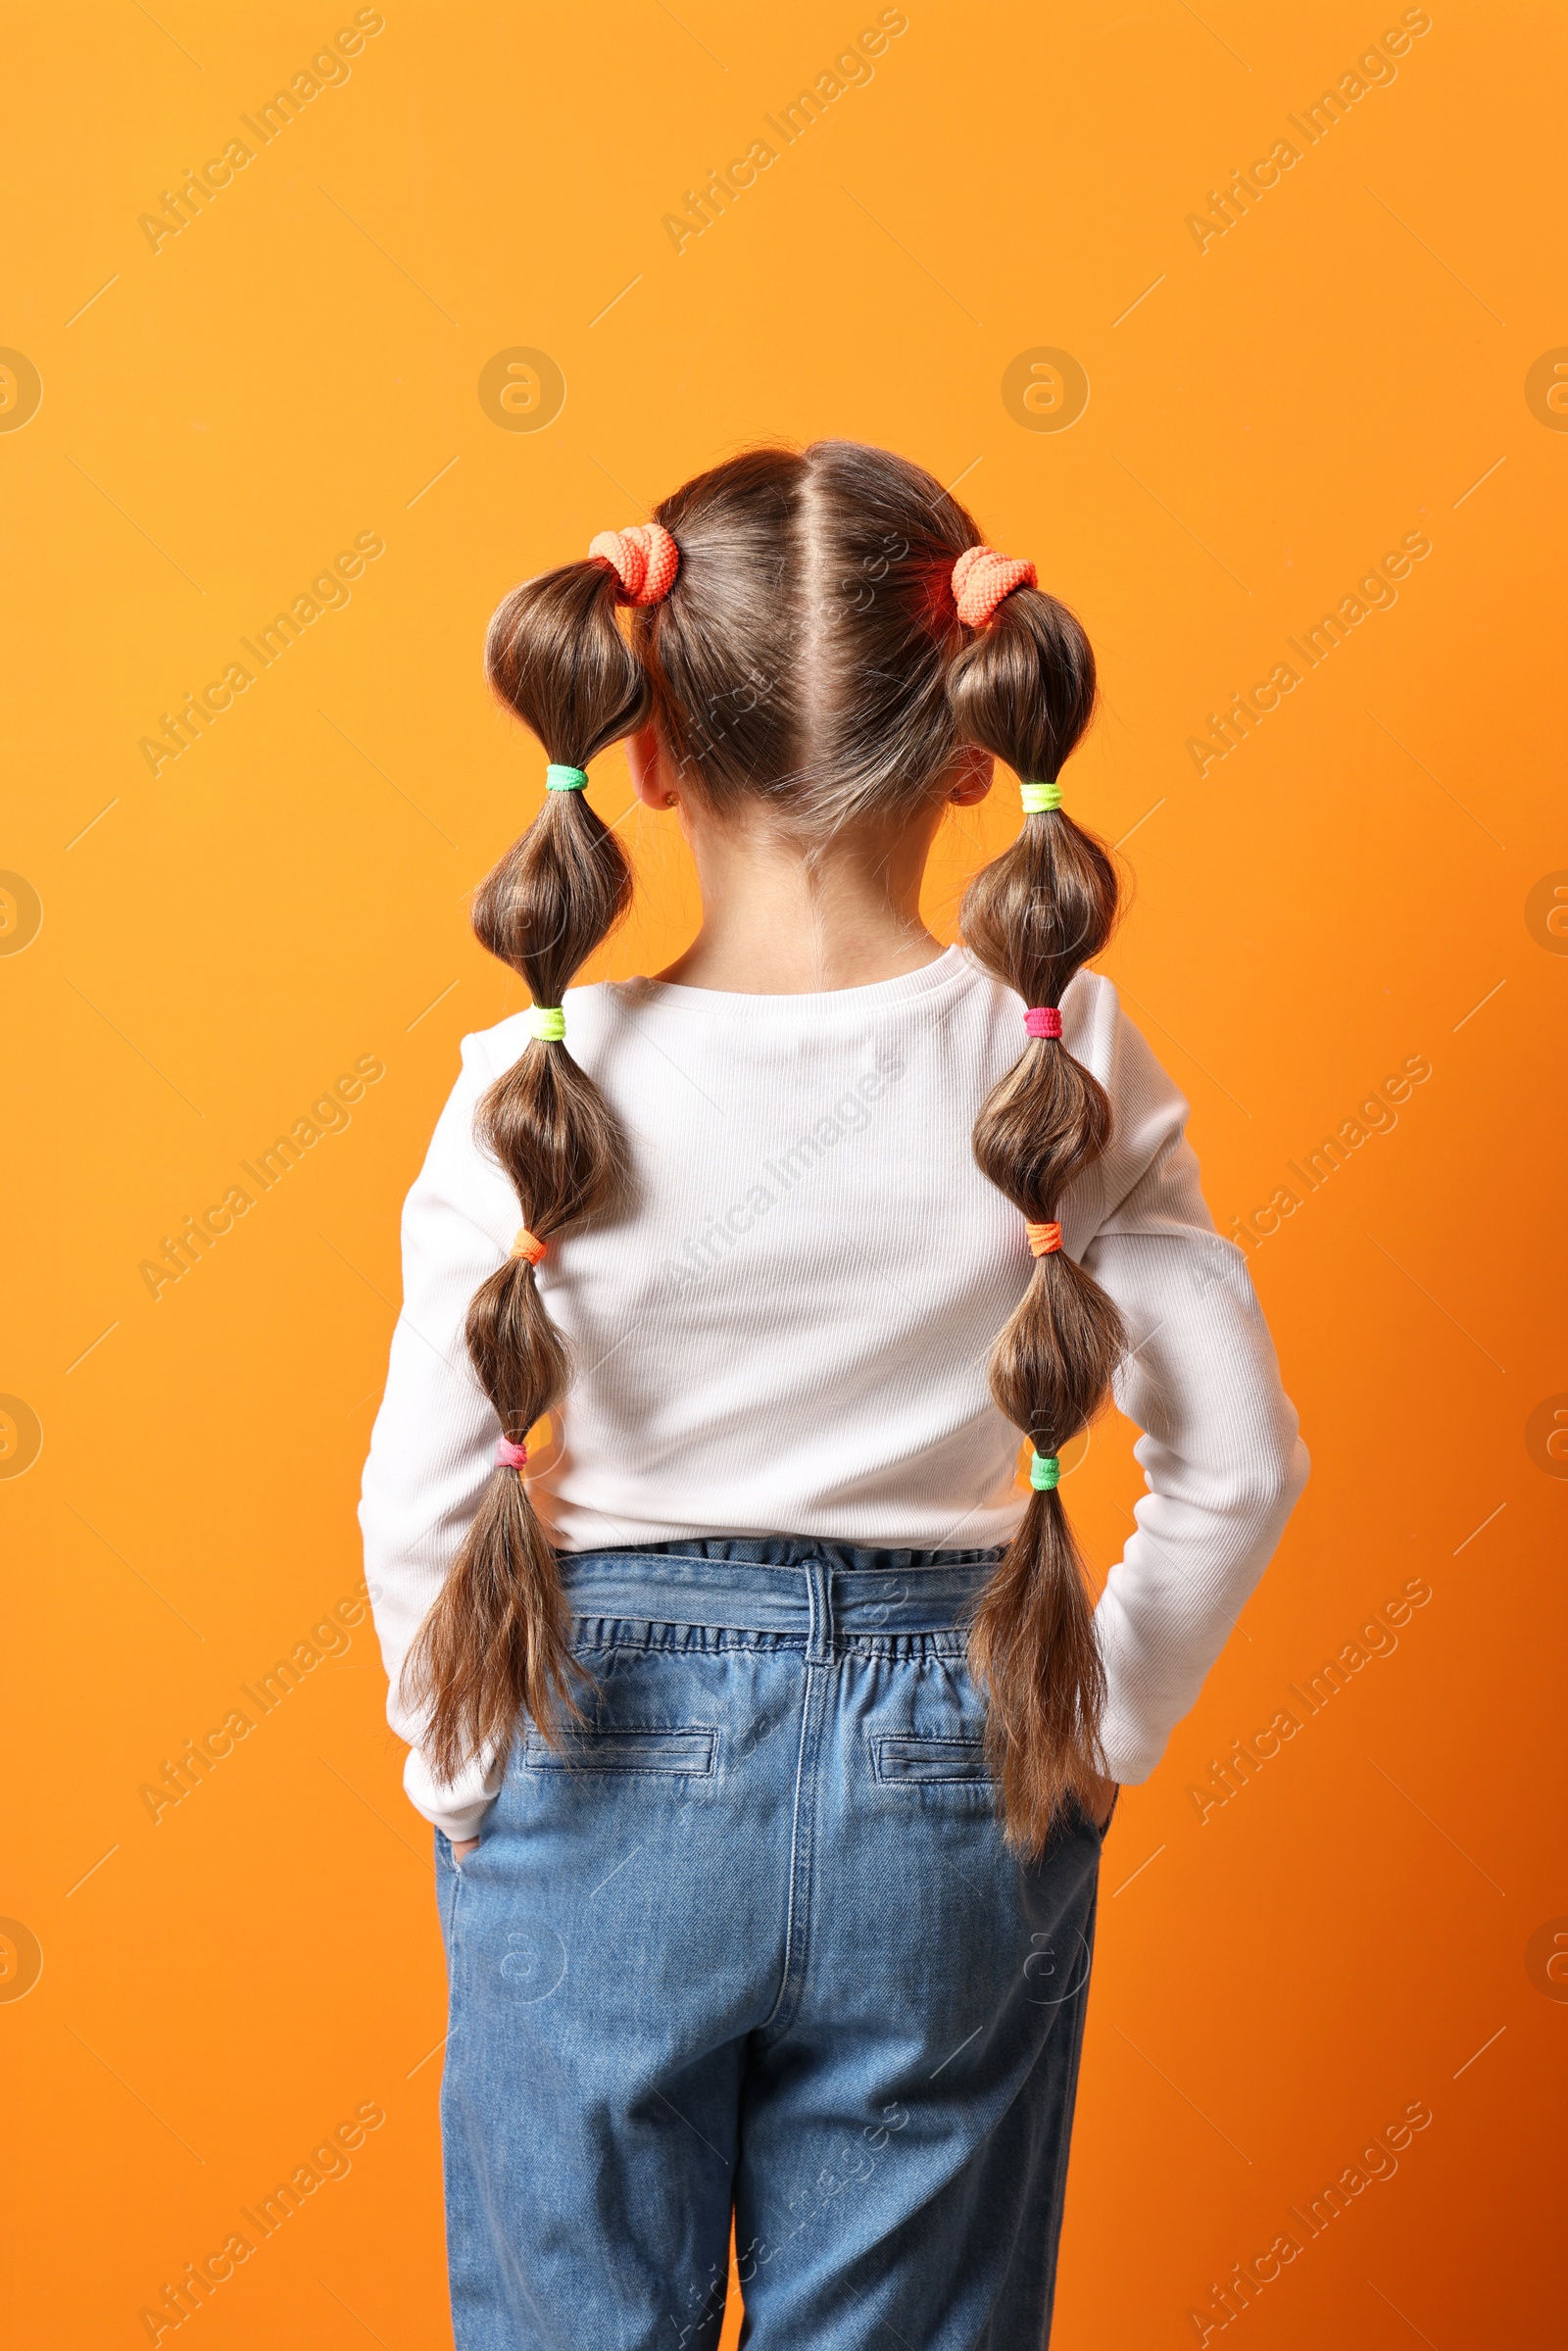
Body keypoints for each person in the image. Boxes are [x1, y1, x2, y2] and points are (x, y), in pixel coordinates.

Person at [360, 440, 1308, 2350]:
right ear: (968, 744)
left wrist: (456, 1766)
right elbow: (1242, 1463)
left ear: (641, 742)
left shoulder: (532, 1083)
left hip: (587, 1736)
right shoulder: (1058, 1057)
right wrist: (1094, 1730)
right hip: (955, 1765)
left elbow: (421, 1487)